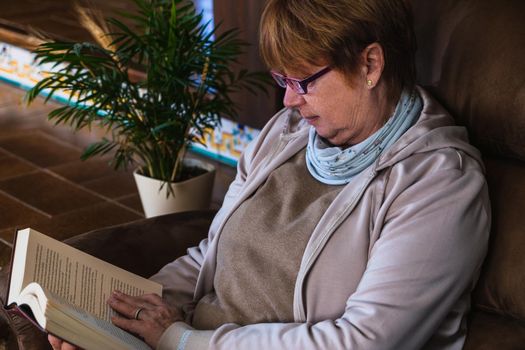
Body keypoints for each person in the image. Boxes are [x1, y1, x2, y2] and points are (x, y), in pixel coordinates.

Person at [49, 0, 490, 349]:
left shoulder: (440, 183)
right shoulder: (287, 134)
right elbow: (214, 254)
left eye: (305, 81)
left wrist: (179, 340)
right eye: (283, 79)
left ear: (370, 65)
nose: (287, 102)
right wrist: (120, 316)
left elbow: (363, 340)